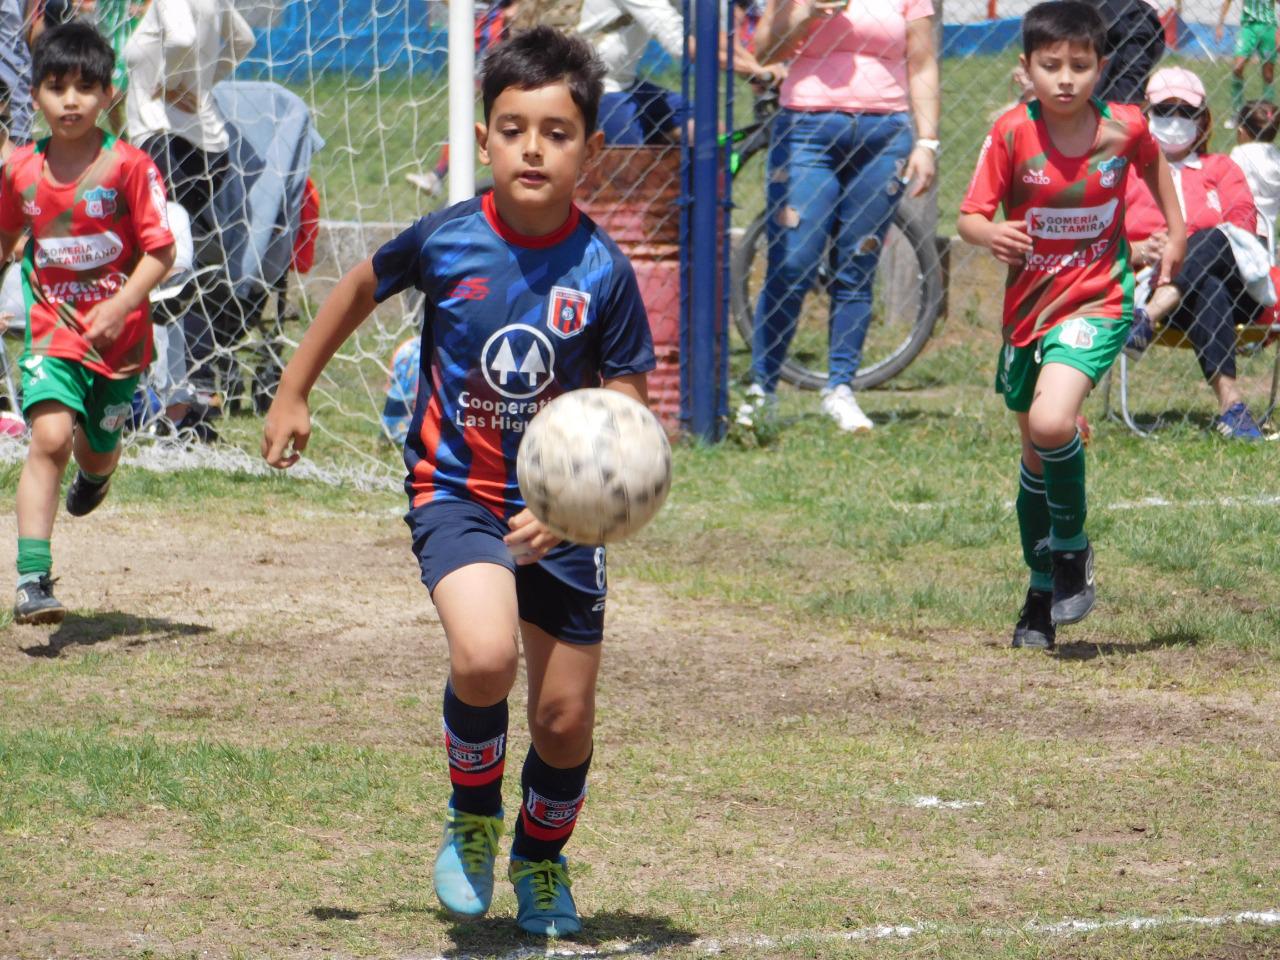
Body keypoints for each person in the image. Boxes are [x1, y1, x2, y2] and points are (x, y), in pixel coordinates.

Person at [262, 26, 656, 937]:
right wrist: (292, 390)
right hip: (457, 493)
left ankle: (542, 861)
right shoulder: (446, 239)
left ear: (589, 149)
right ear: (483, 139)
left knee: (562, 719)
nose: (532, 147)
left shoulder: (603, 270)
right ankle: (472, 818)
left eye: (556, 132)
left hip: (561, 522)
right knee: (483, 658)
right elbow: (359, 285)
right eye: (513, 128)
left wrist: (577, 505)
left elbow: (628, 400)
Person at [957, 0, 1184, 649]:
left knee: (1056, 423)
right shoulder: (1010, 134)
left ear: (1101, 68)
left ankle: (1074, 551)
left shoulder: (1125, 128)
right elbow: (969, 216)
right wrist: (991, 231)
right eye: (1050, 65)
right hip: (1028, 315)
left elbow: (1157, 168)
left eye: (1079, 65)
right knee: (1033, 454)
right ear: (1025, 69)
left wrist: (1175, 232)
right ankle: (1039, 590)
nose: (1065, 78)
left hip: (1098, 301)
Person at [2, 20, 175, 624]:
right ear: (36, 95)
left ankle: (98, 472)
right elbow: (6, 234)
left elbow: (161, 251)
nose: (70, 99)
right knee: (49, 439)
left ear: (108, 94)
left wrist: (122, 304)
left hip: (121, 345)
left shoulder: (129, 167)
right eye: (55, 86)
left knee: (95, 451)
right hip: (50, 331)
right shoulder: (21, 171)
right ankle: (31, 579)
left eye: (84, 86)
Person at [740, 0, 941, 433]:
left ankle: (840, 389)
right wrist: (806, 11)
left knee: (858, 264)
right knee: (792, 262)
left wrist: (927, 142)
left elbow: (922, 61)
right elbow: (763, 51)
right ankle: (762, 389)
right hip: (807, 129)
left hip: (885, 134)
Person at [1124, 68, 1267, 439]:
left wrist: (1179, 244)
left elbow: (1242, 229)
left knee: (1216, 237)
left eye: (1185, 112)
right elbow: (1105, 242)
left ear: (1202, 120)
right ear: (1146, 114)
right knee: (1209, 287)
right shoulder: (1128, 174)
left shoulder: (1221, 168)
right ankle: (1232, 408)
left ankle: (1146, 317)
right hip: (1157, 284)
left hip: (1239, 292)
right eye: (1164, 110)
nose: (1174, 120)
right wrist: (1140, 249)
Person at [570, 0, 777, 145]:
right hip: (594, 85)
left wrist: (755, 70)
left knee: (710, 130)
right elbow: (682, 45)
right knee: (631, 161)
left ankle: (691, 203)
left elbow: (712, 36)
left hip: (626, 82)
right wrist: (757, 72)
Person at [1088, 0, 1165, 105]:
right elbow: (1130, 82)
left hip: (1083, 103)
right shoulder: (1137, 15)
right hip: (1109, 105)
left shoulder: (1067, 10)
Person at [1216, 0, 1277, 126]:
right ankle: (1237, 113)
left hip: (1269, 27)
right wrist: (1220, 24)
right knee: (1237, 68)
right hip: (1248, 28)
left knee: (1268, 74)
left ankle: (1267, 114)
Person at [1229, 98, 1280, 237]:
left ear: (1241, 131)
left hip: (1240, 229)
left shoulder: (1239, 154)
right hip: (1267, 232)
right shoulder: (1276, 157)